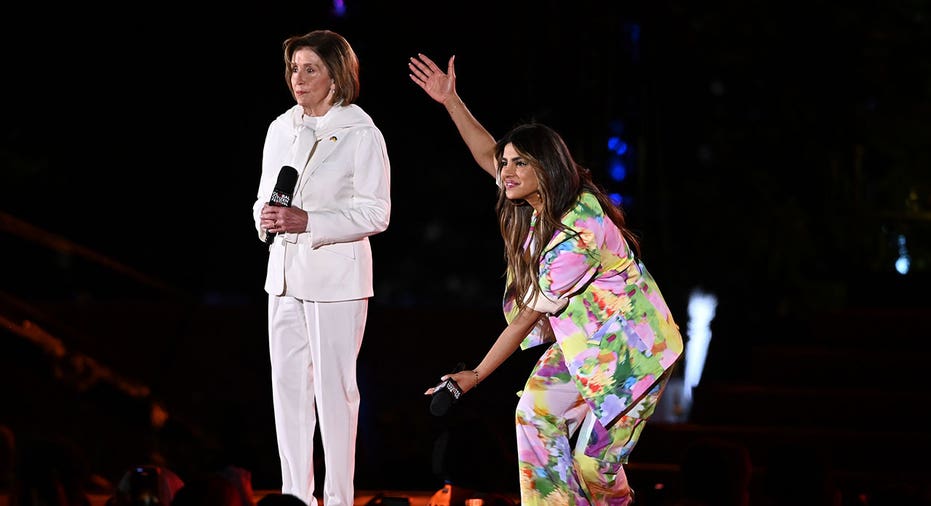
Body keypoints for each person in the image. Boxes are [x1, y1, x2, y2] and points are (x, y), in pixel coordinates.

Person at [410, 53, 683, 505]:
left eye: (519, 164)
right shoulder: (541, 203)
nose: (505, 172)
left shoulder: (578, 232)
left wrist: (472, 377)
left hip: (634, 355)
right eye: (508, 162)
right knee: (534, 415)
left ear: (546, 169)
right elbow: (485, 152)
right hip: (583, 346)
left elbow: (524, 320)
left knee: (594, 467)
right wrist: (451, 100)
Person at [252, 29, 391, 506]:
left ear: (336, 75)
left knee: (335, 393)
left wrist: (309, 220)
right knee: (287, 389)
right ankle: (295, 494)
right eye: (294, 68)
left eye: (310, 69)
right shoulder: (280, 128)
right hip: (284, 275)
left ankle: (337, 498)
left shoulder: (361, 132)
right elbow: (264, 196)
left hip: (336, 279)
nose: (298, 78)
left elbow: (376, 212)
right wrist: (265, 218)